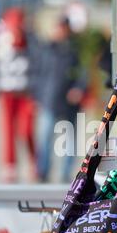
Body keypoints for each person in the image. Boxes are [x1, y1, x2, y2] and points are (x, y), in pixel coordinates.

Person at [0, 8, 37, 183]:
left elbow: (38, 67)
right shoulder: (1, 43)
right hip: (7, 92)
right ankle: (10, 166)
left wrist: (37, 93)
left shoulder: (31, 41)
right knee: (8, 130)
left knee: (27, 130)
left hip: (26, 93)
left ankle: (33, 162)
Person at [36, 16, 86, 183]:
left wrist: (78, 88)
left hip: (69, 102)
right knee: (45, 137)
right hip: (49, 99)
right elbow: (39, 73)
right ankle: (42, 171)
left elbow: (83, 73)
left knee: (70, 140)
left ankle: (65, 173)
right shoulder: (46, 49)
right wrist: (38, 95)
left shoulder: (75, 50)